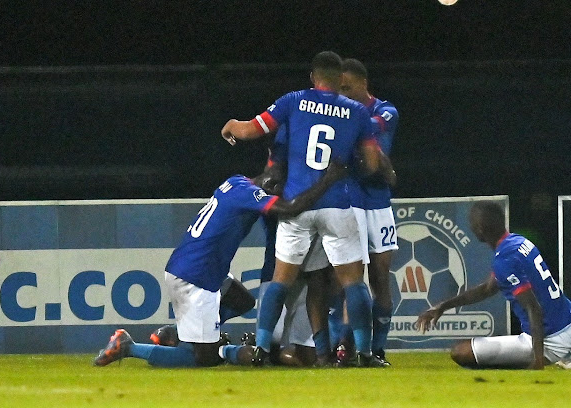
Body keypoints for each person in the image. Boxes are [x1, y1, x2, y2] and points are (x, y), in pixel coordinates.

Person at [221, 51, 394, 367]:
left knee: (280, 280)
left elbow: (251, 130)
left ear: (313, 77)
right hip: (337, 205)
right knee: (353, 282)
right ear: (340, 79)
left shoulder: (293, 101)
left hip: (297, 207)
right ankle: (366, 353)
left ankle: (260, 349)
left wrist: (233, 125)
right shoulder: (356, 112)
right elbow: (371, 164)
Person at [92, 161, 346, 367]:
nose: (280, 196)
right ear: (269, 184)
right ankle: (129, 347)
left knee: (242, 300)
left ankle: (176, 333)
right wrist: (328, 180)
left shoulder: (235, 182)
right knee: (203, 358)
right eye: (280, 189)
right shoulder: (251, 195)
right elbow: (291, 207)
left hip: (199, 267)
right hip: (196, 276)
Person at [416, 201, 571, 370]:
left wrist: (538, 362)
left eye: (472, 223)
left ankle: (556, 353)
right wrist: (443, 306)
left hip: (552, 337)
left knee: (461, 352)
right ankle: (563, 352)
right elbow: (487, 289)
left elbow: (534, 309)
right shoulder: (518, 241)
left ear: (480, 229)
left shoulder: (505, 260)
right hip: (570, 318)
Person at [330, 58, 399, 365]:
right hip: (349, 200)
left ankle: (379, 347)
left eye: (347, 88)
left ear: (362, 84)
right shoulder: (342, 111)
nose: (342, 93)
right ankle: (346, 346)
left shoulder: (385, 110)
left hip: (378, 203)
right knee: (349, 279)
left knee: (381, 277)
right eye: (338, 88)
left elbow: (370, 136)